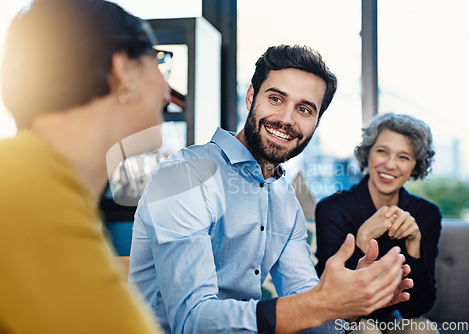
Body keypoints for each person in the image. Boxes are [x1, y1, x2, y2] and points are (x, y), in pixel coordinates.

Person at [128, 45, 413, 334]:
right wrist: (322, 304)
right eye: (276, 99)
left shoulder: (284, 199)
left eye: (304, 109)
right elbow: (193, 321)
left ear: (315, 122)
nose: (287, 119)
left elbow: (309, 309)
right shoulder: (184, 176)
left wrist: (348, 305)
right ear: (251, 97)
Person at [0, 0, 172, 332]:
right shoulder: (26, 187)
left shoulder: (19, 175)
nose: (167, 90)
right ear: (122, 69)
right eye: (159, 63)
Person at [315, 113, 441, 333]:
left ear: (415, 165)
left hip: (394, 318)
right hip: (344, 320)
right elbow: (332, 298)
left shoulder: (427, 214)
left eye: (404, 157)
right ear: (368, 154)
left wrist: (414, 246)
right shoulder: (332, 209)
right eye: (382, 151)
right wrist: (362, 240)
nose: (390, 164)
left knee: (423, 328)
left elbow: (419, 307)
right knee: (366, 331)